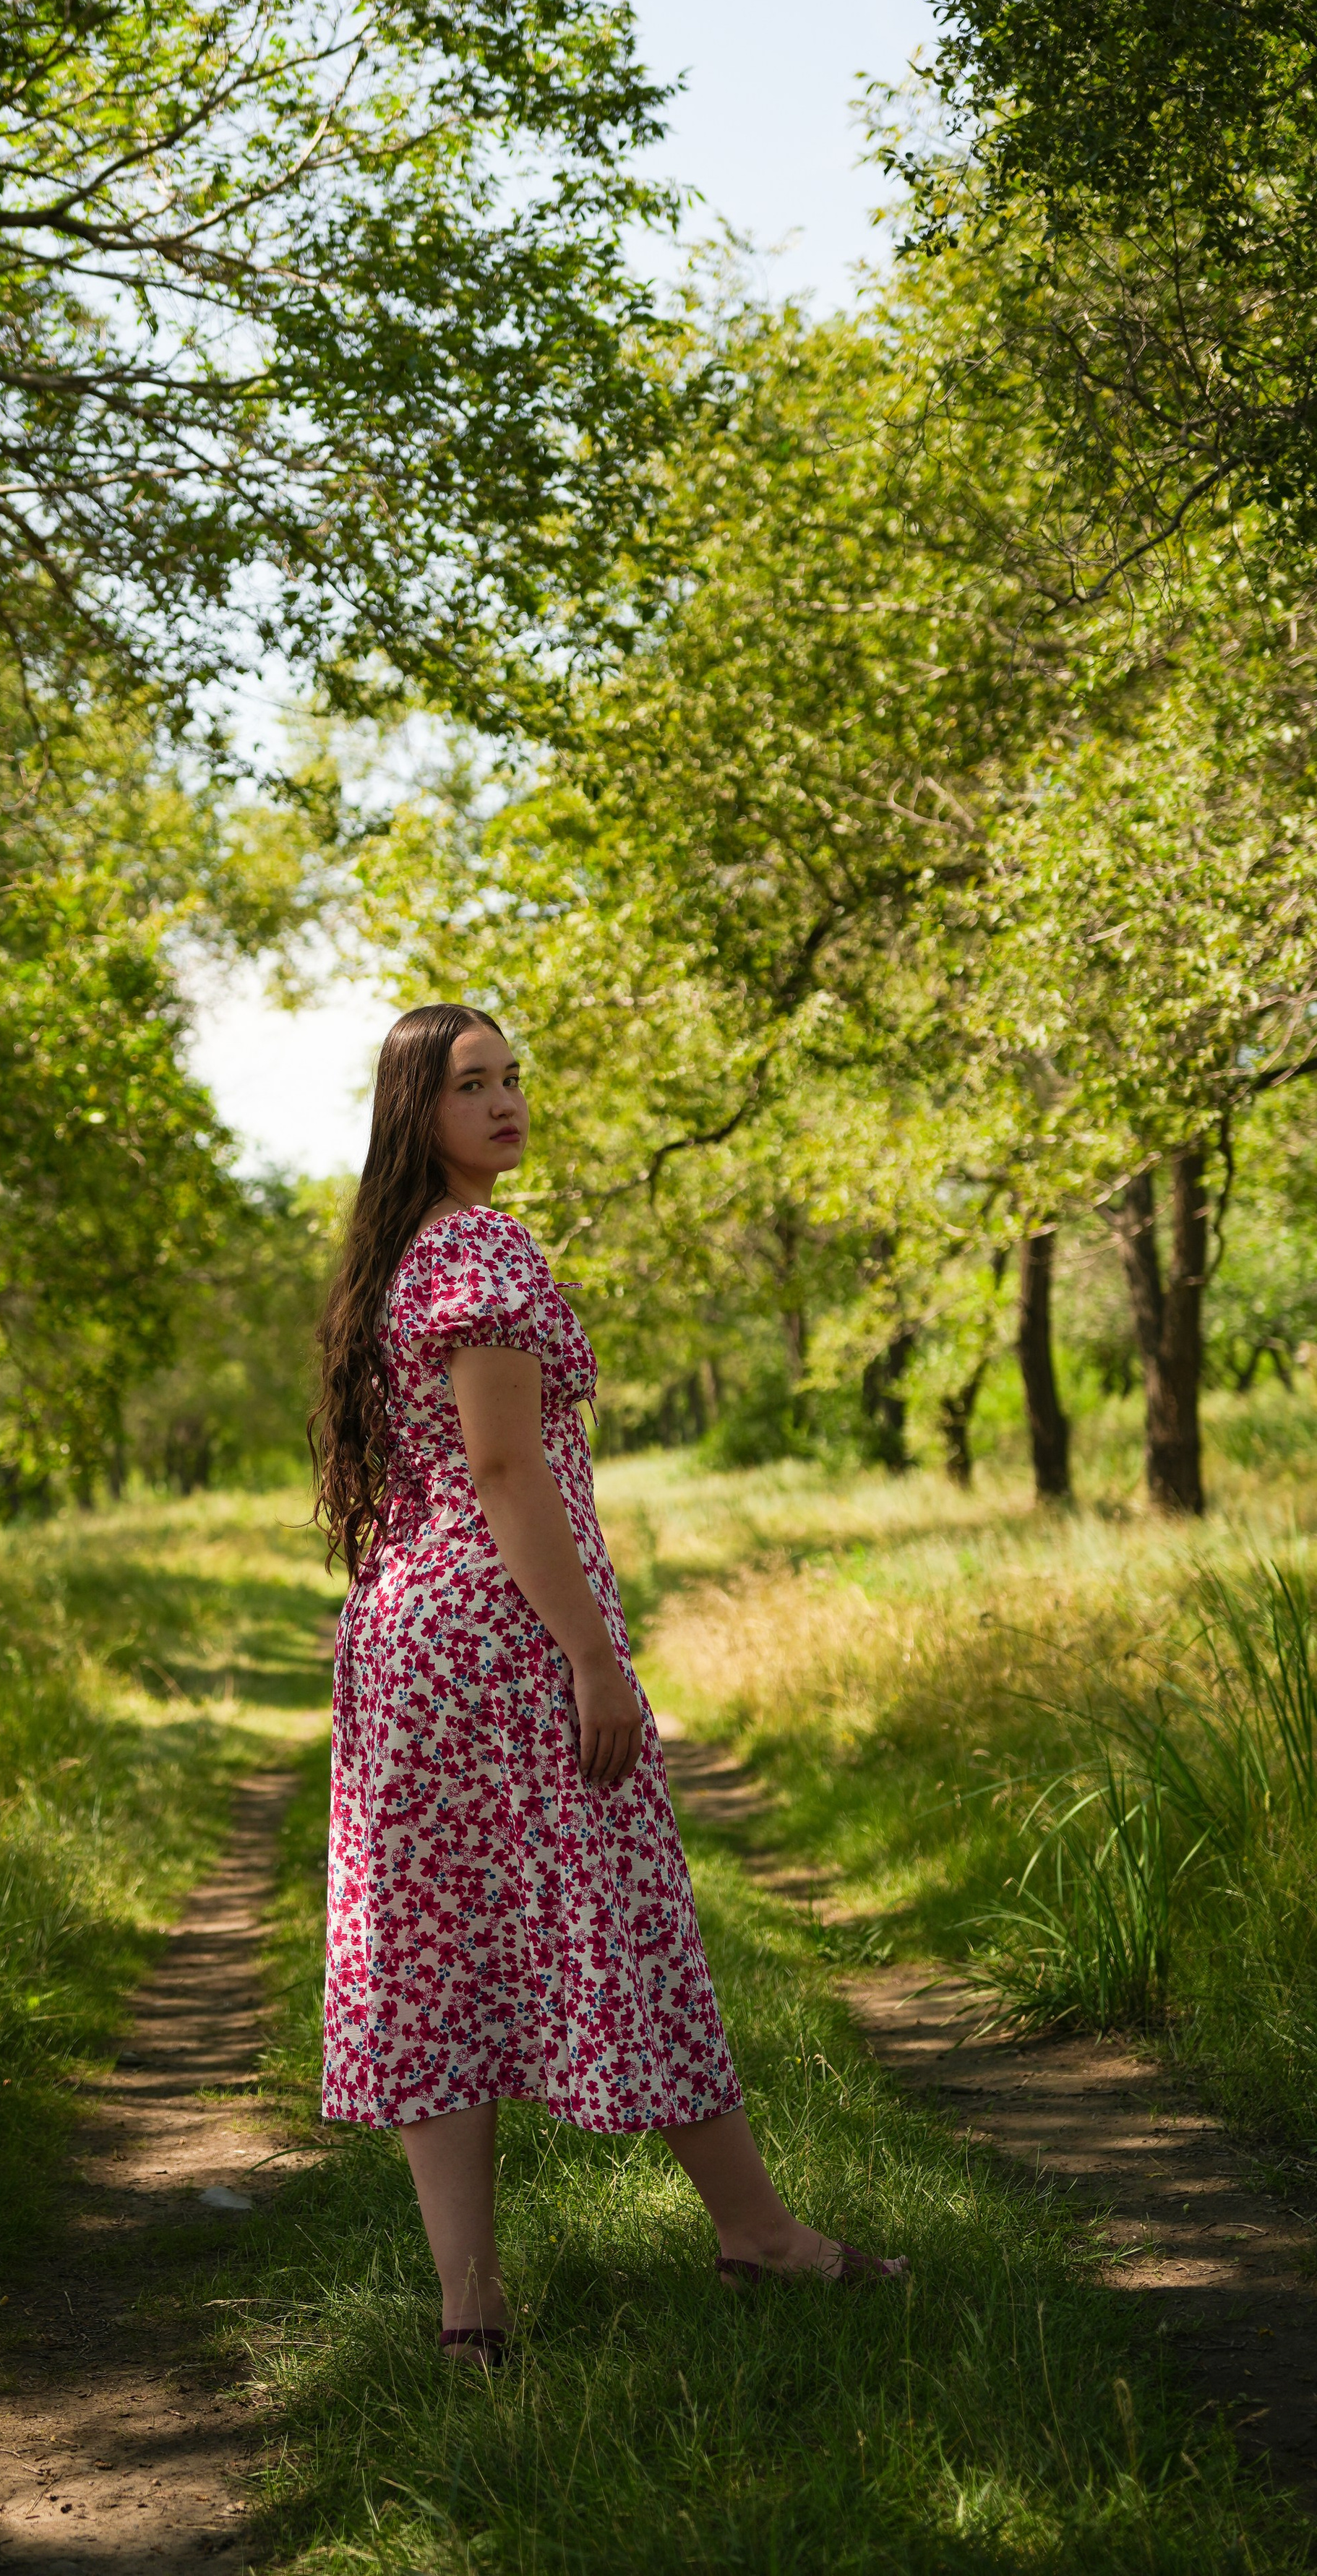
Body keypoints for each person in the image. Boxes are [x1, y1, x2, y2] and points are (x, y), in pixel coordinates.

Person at [309, 1003, 906, 2365]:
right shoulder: (480, 1251)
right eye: (474, 1086)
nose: (508, 1102)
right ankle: (758, 2237)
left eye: (514, 1078)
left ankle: (474, 2315)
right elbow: (507, 1472)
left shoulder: (401, 1257)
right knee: (629, 1920)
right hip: (502, 1644)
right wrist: (591, 1651)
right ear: (419, 1111)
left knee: (434, 1962)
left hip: (403, 1645)